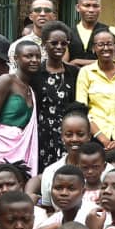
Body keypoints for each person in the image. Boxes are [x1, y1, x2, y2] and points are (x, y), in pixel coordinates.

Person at [0, 40, 41, 175]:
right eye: (29, 56)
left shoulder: (31, 89)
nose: (34, 60)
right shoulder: (6, 81)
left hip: (21, 151)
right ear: (16, 58)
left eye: (38, 56)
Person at [75, 28, 115, 152]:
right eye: (100, 44)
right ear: (93, 48)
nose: (105, 48)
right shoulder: (85, 72)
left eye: (109, 44)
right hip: (94, 138)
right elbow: (81, 109)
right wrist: (103, 139)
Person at [32, 21, 81, 172]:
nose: (59, 47)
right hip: (41, 133)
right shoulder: (35, 72)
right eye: (54, 43)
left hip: (67, 134)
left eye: (63, 43)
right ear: (44, 44)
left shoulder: (74, 72)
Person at [32, 103, 93, 209]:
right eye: (69, 134)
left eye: (80, 134)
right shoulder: (50, 172)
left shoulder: (105, 171)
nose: (74, 139)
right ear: (62, 137)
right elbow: (48, 211)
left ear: (89, 136)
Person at [35, 165, 98, 229]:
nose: (64, 193)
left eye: (71, 189)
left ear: (83, 192)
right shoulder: (56, 218)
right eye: (58, 188)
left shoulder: (95, 216)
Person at [67, 0, 115, 67]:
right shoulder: (68, 33)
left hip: (101, 77)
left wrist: (76, 62)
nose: (91, 10)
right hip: (74, 78)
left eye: (95, 6)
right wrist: (101, 61)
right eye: (87, 5)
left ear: (100, 8)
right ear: (78, 7)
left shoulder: (111, 31)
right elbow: (64, 64)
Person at [8, 0, 55, 70]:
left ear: (53, 16)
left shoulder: (61, 46)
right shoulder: (17, 46)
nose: (42, 14)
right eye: (37, 10)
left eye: (47, 10)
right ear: (31, 16)